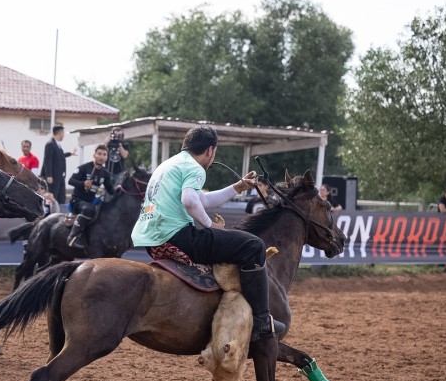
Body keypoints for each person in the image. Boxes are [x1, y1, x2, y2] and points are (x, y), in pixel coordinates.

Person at [131, 125, 286, 342]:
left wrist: (236, 187)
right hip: (178, 237)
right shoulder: (195, 168)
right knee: (254, 245)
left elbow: (201, 199)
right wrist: (208, 224)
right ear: (210, 150)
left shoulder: (169, 164)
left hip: (152, 239)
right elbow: (189, 201)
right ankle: (260, 322)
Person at [66, 144, 113, 249]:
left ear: (107, 157)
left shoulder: (105, 173)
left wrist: (121, 188)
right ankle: (72, 237)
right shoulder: (84, 167)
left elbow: (111, 190)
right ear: (94, 155)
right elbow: (70, 181)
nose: (101, 156)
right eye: (99, 154)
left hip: (91, 202)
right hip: (77, 201)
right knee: (89, 209)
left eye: (104, 155)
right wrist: (83, 184)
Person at [40, 125, 76, 205]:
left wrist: (70, 153)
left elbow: (60, 155)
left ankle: (60, 213)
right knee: (53, 197)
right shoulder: (50, 144)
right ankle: (51, 215)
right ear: (59, 133)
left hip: (60, 176)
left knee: (61, 197)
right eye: (63, 132)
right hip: (53, 177)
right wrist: (49, 175)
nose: (64, 135)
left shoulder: (57, 144)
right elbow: (47, 160)